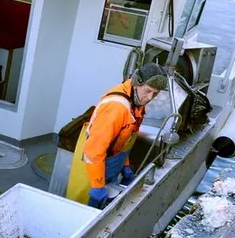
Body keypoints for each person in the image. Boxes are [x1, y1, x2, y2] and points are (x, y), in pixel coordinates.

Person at [66, 63, 169, 209]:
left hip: (109, 163)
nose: (150, 98)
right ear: (136, 83)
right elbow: (93, 151)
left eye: (156, 94)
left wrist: (125, 166)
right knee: (79, 209)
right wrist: (97, 186)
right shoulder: (117, 108)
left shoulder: (136, 102)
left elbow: (124, 139)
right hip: (91, 167)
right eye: (148, 91)